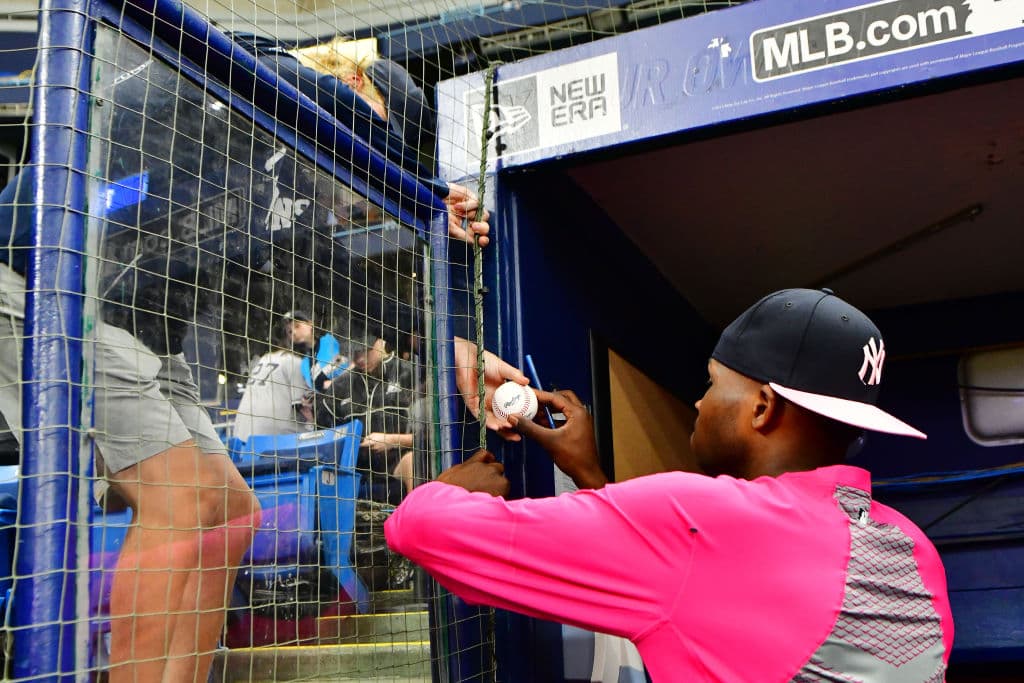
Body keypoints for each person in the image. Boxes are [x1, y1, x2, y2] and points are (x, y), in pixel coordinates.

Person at [385, 288, 954, 682]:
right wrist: (590, 476)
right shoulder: (912, 548)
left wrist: (457, 487)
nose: (701, 403)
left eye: (711, 384)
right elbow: (691, 590)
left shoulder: (697, 516)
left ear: (761, 408)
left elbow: (422, 529)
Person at [0, 168, 262, 683]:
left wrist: (433, 201)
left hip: (147, 326)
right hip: (30, 281)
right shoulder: (232, 106)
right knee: (178, 495)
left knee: (235, 511)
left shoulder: (290, 168)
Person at [232, 310, 317, 443]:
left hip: (239, 437)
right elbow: (304, 408)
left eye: (297, 326)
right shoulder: (295, 362)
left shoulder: (265, 358)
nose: (294, 333)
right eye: (290, 331)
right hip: (268, 441)